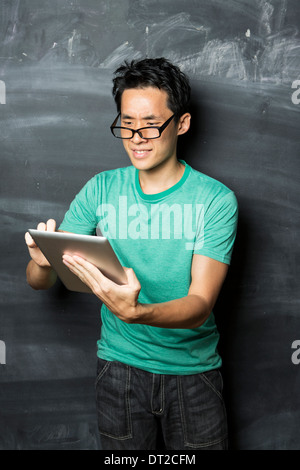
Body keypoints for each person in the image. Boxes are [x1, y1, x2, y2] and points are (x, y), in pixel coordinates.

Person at [25, 57, 238, 450]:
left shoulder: (215, 200)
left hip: (193, 374)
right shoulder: (101, 189)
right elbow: (41, 282)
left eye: (151, 124)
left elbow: (200, 303)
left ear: (182, 124)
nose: (137, 137)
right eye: (127, 123)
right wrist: (42, 263)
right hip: (119, 371)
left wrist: (138, 313)